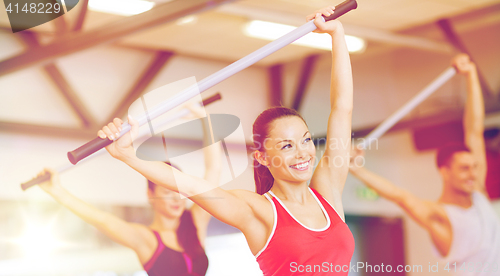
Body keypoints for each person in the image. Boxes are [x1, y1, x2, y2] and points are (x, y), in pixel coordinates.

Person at [98, 7, 355, 276]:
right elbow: (191, 185)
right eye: (287, 146)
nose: (303, 153)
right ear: (262, 158)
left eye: (305, 141)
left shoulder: (328, 190)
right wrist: (128, 155)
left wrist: (337, 35)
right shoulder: (258, 210)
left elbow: (342, 108)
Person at [349, 54, 500, 275]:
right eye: (464, 168)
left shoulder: (479, 193)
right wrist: (356, 169)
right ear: (445, 172)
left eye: (474, 167)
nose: (473, 174)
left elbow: (474, 132)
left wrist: (471, 75)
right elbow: (401, 197)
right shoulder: (439, 215)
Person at [39, 104, 221, 276]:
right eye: (167, 192)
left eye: (181, 192)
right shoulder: (146, 239)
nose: (177, 199)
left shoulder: (196, 221)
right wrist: (57, 191)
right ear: (151, 195)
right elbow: (102, 220)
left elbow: (213, 170)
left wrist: (205, 120)